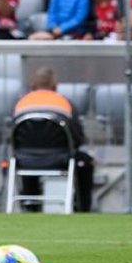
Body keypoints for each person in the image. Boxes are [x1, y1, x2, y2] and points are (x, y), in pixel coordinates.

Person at [13, 66, 94, 212]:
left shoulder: (21, 104)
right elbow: (77, 137)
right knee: (85, 162)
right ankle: (82, 208)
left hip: (25, 160)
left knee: (25, 153)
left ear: (32, 86)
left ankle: (30, 204)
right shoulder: (64, 103)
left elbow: (14, 137)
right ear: (55, 86)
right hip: (60, 157)